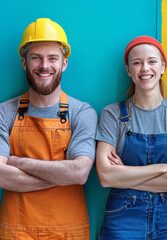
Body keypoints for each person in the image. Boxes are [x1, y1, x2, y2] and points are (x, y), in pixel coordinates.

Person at [0, 18, 97, 239]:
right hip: (16, 232)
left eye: (52, 58)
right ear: (24, 62)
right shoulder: (4, 112)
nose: (44, 65)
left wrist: (17, 162)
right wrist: (63, 174)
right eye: (36, 58)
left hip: (68, 232)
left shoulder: (82, 112)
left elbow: (80, 173)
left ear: (64, 63)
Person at [95, 36, 167, 239]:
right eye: (137, 63)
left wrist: (124, 175)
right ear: (128, 70)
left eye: (152, 61)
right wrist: (163, 168)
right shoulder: (112, 114)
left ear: (163, 66)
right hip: (122, 217)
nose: (145, 68)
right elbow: (106, 177)